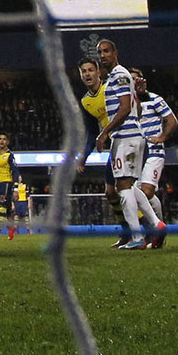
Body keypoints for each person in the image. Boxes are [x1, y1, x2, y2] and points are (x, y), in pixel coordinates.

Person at [95, 40, 166, 250]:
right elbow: (137, 109)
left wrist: (105, 132)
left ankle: (136, 238)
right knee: (131, 186)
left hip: (125, 137)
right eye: (100, 52)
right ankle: (156, 223)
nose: (102, 55)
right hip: (135, 136)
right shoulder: (120, 77)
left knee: (122, 187)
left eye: (106, 51)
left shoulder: (119, 75)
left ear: (115, 53)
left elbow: (125, 108)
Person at [75, 57, 128, 247]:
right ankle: (128, 231)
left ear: (99, 72)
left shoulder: (111, 88)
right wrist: (84, 156)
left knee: (128, 190)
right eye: (84, 71)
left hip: (128, 140)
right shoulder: (85, 102)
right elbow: (91, 133)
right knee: (110, 191)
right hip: (114, 145)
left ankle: (146, 229)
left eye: (91, 70)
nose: (88, 74)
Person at [131, 67, 178, 247]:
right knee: (139, 196)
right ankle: (158, 229)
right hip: (134, 153)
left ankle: (154, 231)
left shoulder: (155, 99)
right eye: (131, 79)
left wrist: (162, 137)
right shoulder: (126, 102)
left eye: (137, 78)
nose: (135, 82)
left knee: (147, 191)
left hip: (153, 151)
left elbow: (172, 120)